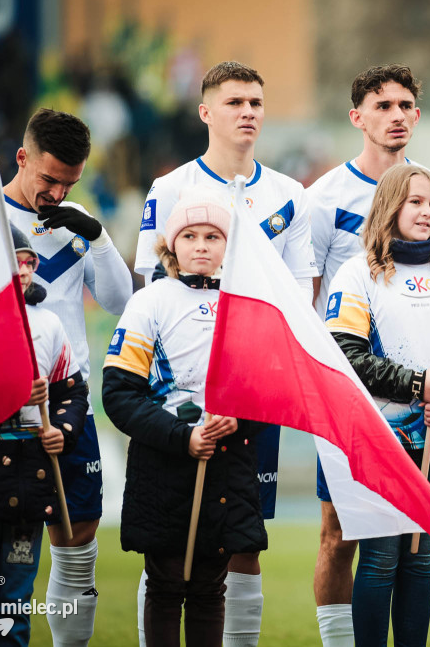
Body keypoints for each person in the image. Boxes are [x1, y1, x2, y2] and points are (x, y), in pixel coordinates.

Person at [0, 108, 132, 647]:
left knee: (76, 533)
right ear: (22, 158)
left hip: (65, 403)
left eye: (70, 182)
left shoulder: (77, 219)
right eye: (49, 179)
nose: (58, 193)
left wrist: (101, 238)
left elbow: (121, 300)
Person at [133, 60, 316, 646]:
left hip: (253, 399)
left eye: (256, 103)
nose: (248, 113)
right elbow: (150, 292)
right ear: (206, 112)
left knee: (242, 538)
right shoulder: (170, 189)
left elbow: (297, 300)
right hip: (177, 407)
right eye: (234, 102)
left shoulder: (289, 194)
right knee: (167, 541)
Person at [307, 64, 430, 647]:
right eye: (383, 105)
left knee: (417, 553)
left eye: (406, 105)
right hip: (354, 408)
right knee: (340, 534)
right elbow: (310, 302)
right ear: (358, 117)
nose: (397, 115)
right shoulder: (323, 199)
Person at [102, 189, 268, 647]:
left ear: (227, 246)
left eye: (213, 235)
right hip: (165, 467)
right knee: (167, 582)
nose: (200, 245)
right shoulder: (149, 303)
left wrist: (240, 419)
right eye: (190, 235)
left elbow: (267, 390)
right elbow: (118, 395)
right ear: (170, 245)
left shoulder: (248, 306)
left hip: (226, 468)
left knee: (210, 589)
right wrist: (183, 437)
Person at [0, 226, 89, 646]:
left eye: (29, 262)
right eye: (14, 262)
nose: (23, 271)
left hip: (32, 477)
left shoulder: (48, 323)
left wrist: (61, 431)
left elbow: (72, 393)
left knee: (15, 602)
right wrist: (9, 396)